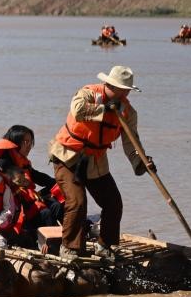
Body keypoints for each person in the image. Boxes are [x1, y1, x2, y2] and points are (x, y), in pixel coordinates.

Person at [49, 65, 155, 262]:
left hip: (95, 161)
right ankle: (70, 248)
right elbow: (78, 110)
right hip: (68, 156)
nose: (123, 95)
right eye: (120, 90)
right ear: (109, 85)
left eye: (126, 91)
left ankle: (104, 245)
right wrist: (105, 109)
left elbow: (132, 142)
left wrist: (141, 161)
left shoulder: (128, 112)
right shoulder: (88, 93)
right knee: (77, 201)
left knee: (113, 203)